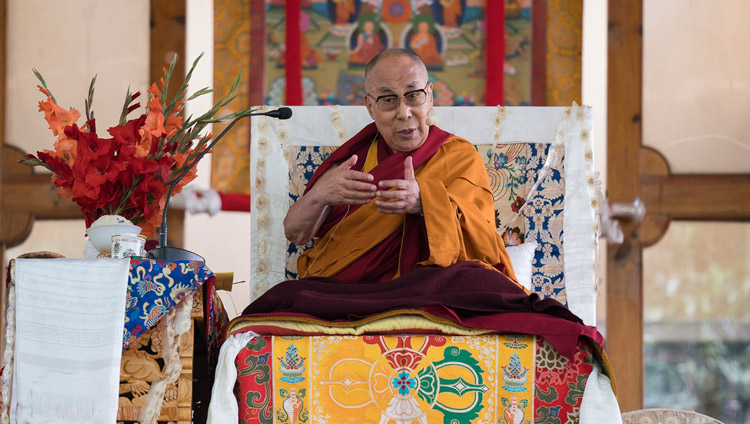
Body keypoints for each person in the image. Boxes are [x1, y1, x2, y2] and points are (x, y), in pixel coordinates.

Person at [282, 48, 518, 287]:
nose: (404, 113)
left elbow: (484, 242)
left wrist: (426, 203)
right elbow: (295, 233)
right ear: (370, 107)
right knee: (287, 298)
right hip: (350, 291)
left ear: (430, 97)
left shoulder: (459, 157)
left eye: (413, 95)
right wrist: (321, 195)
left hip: (429, 287)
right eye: (388, 100)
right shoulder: (352, 163)